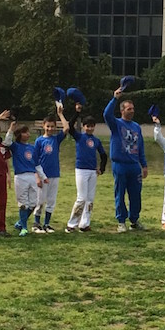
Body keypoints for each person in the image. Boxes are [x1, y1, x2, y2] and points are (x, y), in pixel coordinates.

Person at [103, 86, 148, 232]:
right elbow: (106, 114)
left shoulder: (136, 127)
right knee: (120, 193)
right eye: (129, 109)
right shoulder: (116, 124)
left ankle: (134, 220)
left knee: (136, 194)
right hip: (120, 164)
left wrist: (144, 164)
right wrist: (115, 98)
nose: (132, 111)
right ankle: (121, 221)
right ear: (122, 110)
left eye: (133, 108)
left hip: (134, 165)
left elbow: (140, 146)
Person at [65, 103, 107, 233]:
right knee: (81, 198)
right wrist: (77, 113)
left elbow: (103, 155)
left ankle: (84, 224)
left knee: (90, 199)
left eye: (92, 126)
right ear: (83, 127)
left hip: (92, 172)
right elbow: (70, 127)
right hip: (81, 170)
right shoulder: (79, 137)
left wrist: (102, 168)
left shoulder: (96, 140)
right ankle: (71, 224)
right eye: (87, 126)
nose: (90, 128)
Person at [3, 121, 46, 236]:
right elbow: (6, 142)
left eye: (28, 132)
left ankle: (20, 222)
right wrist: (10, 130)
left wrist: (43, 177)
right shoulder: (16, 146)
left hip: (32, 176)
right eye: (24, 132)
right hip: (20, 177)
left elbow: (37, 164)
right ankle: (24, 228)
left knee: (33, 203)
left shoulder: (32, 148)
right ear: (19, 134)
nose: (27, 134)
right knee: (23, 203)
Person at [32, 105, 69, 233]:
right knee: (40, 200)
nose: (50, 128)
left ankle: (47, 224)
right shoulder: (39, 141)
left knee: (51, 200)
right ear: (43, 126)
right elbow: (34, 160)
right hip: (43, 175)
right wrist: (37, 176)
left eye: (52, 126)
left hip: (54, 174)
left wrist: (60, 115)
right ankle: (36, 223)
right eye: (48, 126)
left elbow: (67, 128)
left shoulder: (56, 139)